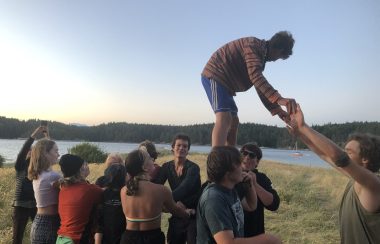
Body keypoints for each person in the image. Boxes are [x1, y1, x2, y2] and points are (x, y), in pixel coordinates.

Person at [287, 104, 380, 244]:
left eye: (349, 152)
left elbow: (338, 157)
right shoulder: (355, 179)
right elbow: (324, 155)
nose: (345, 154)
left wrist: (304, 126)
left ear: (365, 159)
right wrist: (300, 133)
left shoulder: (372, 185)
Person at [201, 31, 297, 146]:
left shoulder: (260, 58)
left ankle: (231, 157)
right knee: (224, 118)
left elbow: (259, 86)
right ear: (279, 49)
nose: (276, 60)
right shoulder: (253, 45)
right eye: (280, 57)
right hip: (216, 75)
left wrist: (278, 111)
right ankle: (216, 160)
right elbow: (256, 76)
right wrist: (279, 98)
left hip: (226, 85)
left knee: (234, 121)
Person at [196, 146, 281, 244]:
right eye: (239, 163)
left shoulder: (230, 190)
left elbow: (251, 206)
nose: (243, 166)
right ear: (227, 172)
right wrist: (267, 239)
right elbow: (227, 242)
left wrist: (250, 185)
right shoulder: (214, 199)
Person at [120, 149, 192, 244]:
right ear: (144, 167)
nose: (153, 159)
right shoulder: (161, 190)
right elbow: (177, 212)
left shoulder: (124, 190)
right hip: (152, 239)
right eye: (149, 158)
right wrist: (188, 212)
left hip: (128, 239)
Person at [154, 134, 201, 244]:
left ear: (188, 150)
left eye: (185, 146)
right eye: (178, 145)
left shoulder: (193, 168)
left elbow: (185, 187)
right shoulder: (166, 167)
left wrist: (167, 202)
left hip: (193, 214)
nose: (181, 148)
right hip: (177, 212)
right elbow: (156, 185)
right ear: (173, 148)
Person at [235, 143, 280, 237]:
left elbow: (274, 205)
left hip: (254, 233)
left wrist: (255, 184)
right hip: (233, 234)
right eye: (244, 153)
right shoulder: (230, 176)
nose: (247, 157)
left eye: (252, 155)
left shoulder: (261, 178)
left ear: (257, 162)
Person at [56, 154, 103, 244]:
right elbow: (105, 193)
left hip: (61, 238)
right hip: (77, 239)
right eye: (83, 166)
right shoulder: (88, 189)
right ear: (79, 170)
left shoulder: (63, 188)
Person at [27, 139, 61, 244]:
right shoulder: (52, 176)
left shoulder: (40, 174)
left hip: (38, 223)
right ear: (45, 153)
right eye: (56, 151)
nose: (58, 154)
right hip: (50, 223)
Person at [94, 164, 127, 244]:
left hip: (106, 236)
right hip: (122, 236)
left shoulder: (102, 193)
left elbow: (99, 221)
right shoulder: (127, 194)